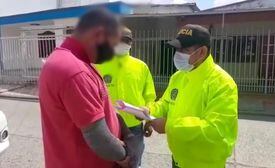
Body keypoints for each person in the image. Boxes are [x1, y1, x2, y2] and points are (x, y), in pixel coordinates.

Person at [39, 9, 141, 168]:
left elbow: (102, 108)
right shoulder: (75, 71)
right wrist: (126, 156)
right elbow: (99, 138)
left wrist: (126, 132)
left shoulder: (73, 62)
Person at [144, 24, 238, 168]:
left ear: (201, 52)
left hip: (205, 163)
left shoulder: (222, 83)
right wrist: (149, 111)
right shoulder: (178, 77)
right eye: (177, 49)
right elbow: (165, 104)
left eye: (185, 50)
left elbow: (215, 130)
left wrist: (169, 126)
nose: (178, 54)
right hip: (178, 159)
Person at [95, 26, 156, 165]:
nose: (122, 43)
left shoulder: (141, 67)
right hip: (107, 126)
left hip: (134, 127)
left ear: (131, 43)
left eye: (126, 41)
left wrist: (149, 120)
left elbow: (150, 97)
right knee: (108, 163)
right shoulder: (99, 65)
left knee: (132, 163)